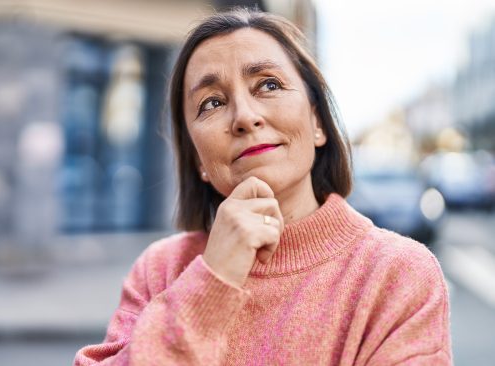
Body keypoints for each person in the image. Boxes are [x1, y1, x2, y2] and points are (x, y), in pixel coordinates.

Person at [74, 8, 452, 366]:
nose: (245, 116)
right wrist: (211, 280)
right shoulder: (160, 269)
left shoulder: (399, 274)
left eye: (268, 84)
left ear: (318, 121)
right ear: (197, 161)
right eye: (212, 102)